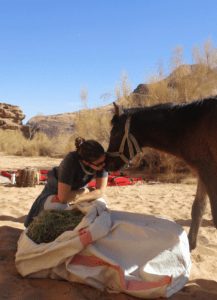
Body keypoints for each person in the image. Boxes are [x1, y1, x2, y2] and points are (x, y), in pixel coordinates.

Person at [24, 137, 108, 228]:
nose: (103, 165)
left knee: (102, 205)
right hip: (55, 192)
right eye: (99, 164)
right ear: (86, 162)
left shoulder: (102, 161)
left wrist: (73, 197)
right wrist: (86, 191)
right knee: (63, 209)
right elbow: (63, 198)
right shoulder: (70, 161)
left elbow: (101, 192)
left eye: (103, 161)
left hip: (76, 194)